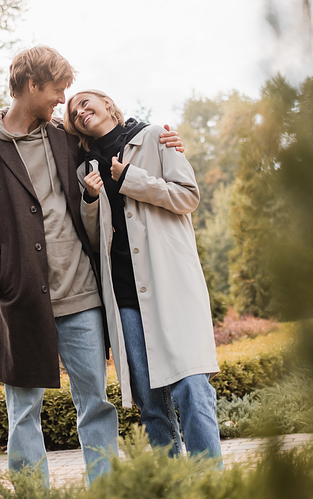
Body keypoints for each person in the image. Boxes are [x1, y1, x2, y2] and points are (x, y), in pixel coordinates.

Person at [0, 46, 184, 485]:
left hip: (82, 297)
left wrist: (165, 141)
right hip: (21, 302)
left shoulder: (64, 138)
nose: (62, 99)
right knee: (23, 412)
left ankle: (106, 496)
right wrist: (1, 278)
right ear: (32, 84)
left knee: (95, 403)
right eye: (57, 90)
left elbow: (116, 140)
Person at [64, 89, 222, 460]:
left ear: (107, 104)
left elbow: (187, 197)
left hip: (170, 283)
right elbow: (92, 236)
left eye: (86, 102)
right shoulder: (85, 169)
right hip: (123, 294)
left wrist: (131, 178)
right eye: (73, 110)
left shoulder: (154, 136)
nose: (80, 110)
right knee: (150, 401)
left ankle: (210, 486)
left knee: (191, 386)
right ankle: (170, 489)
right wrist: (89, 199)